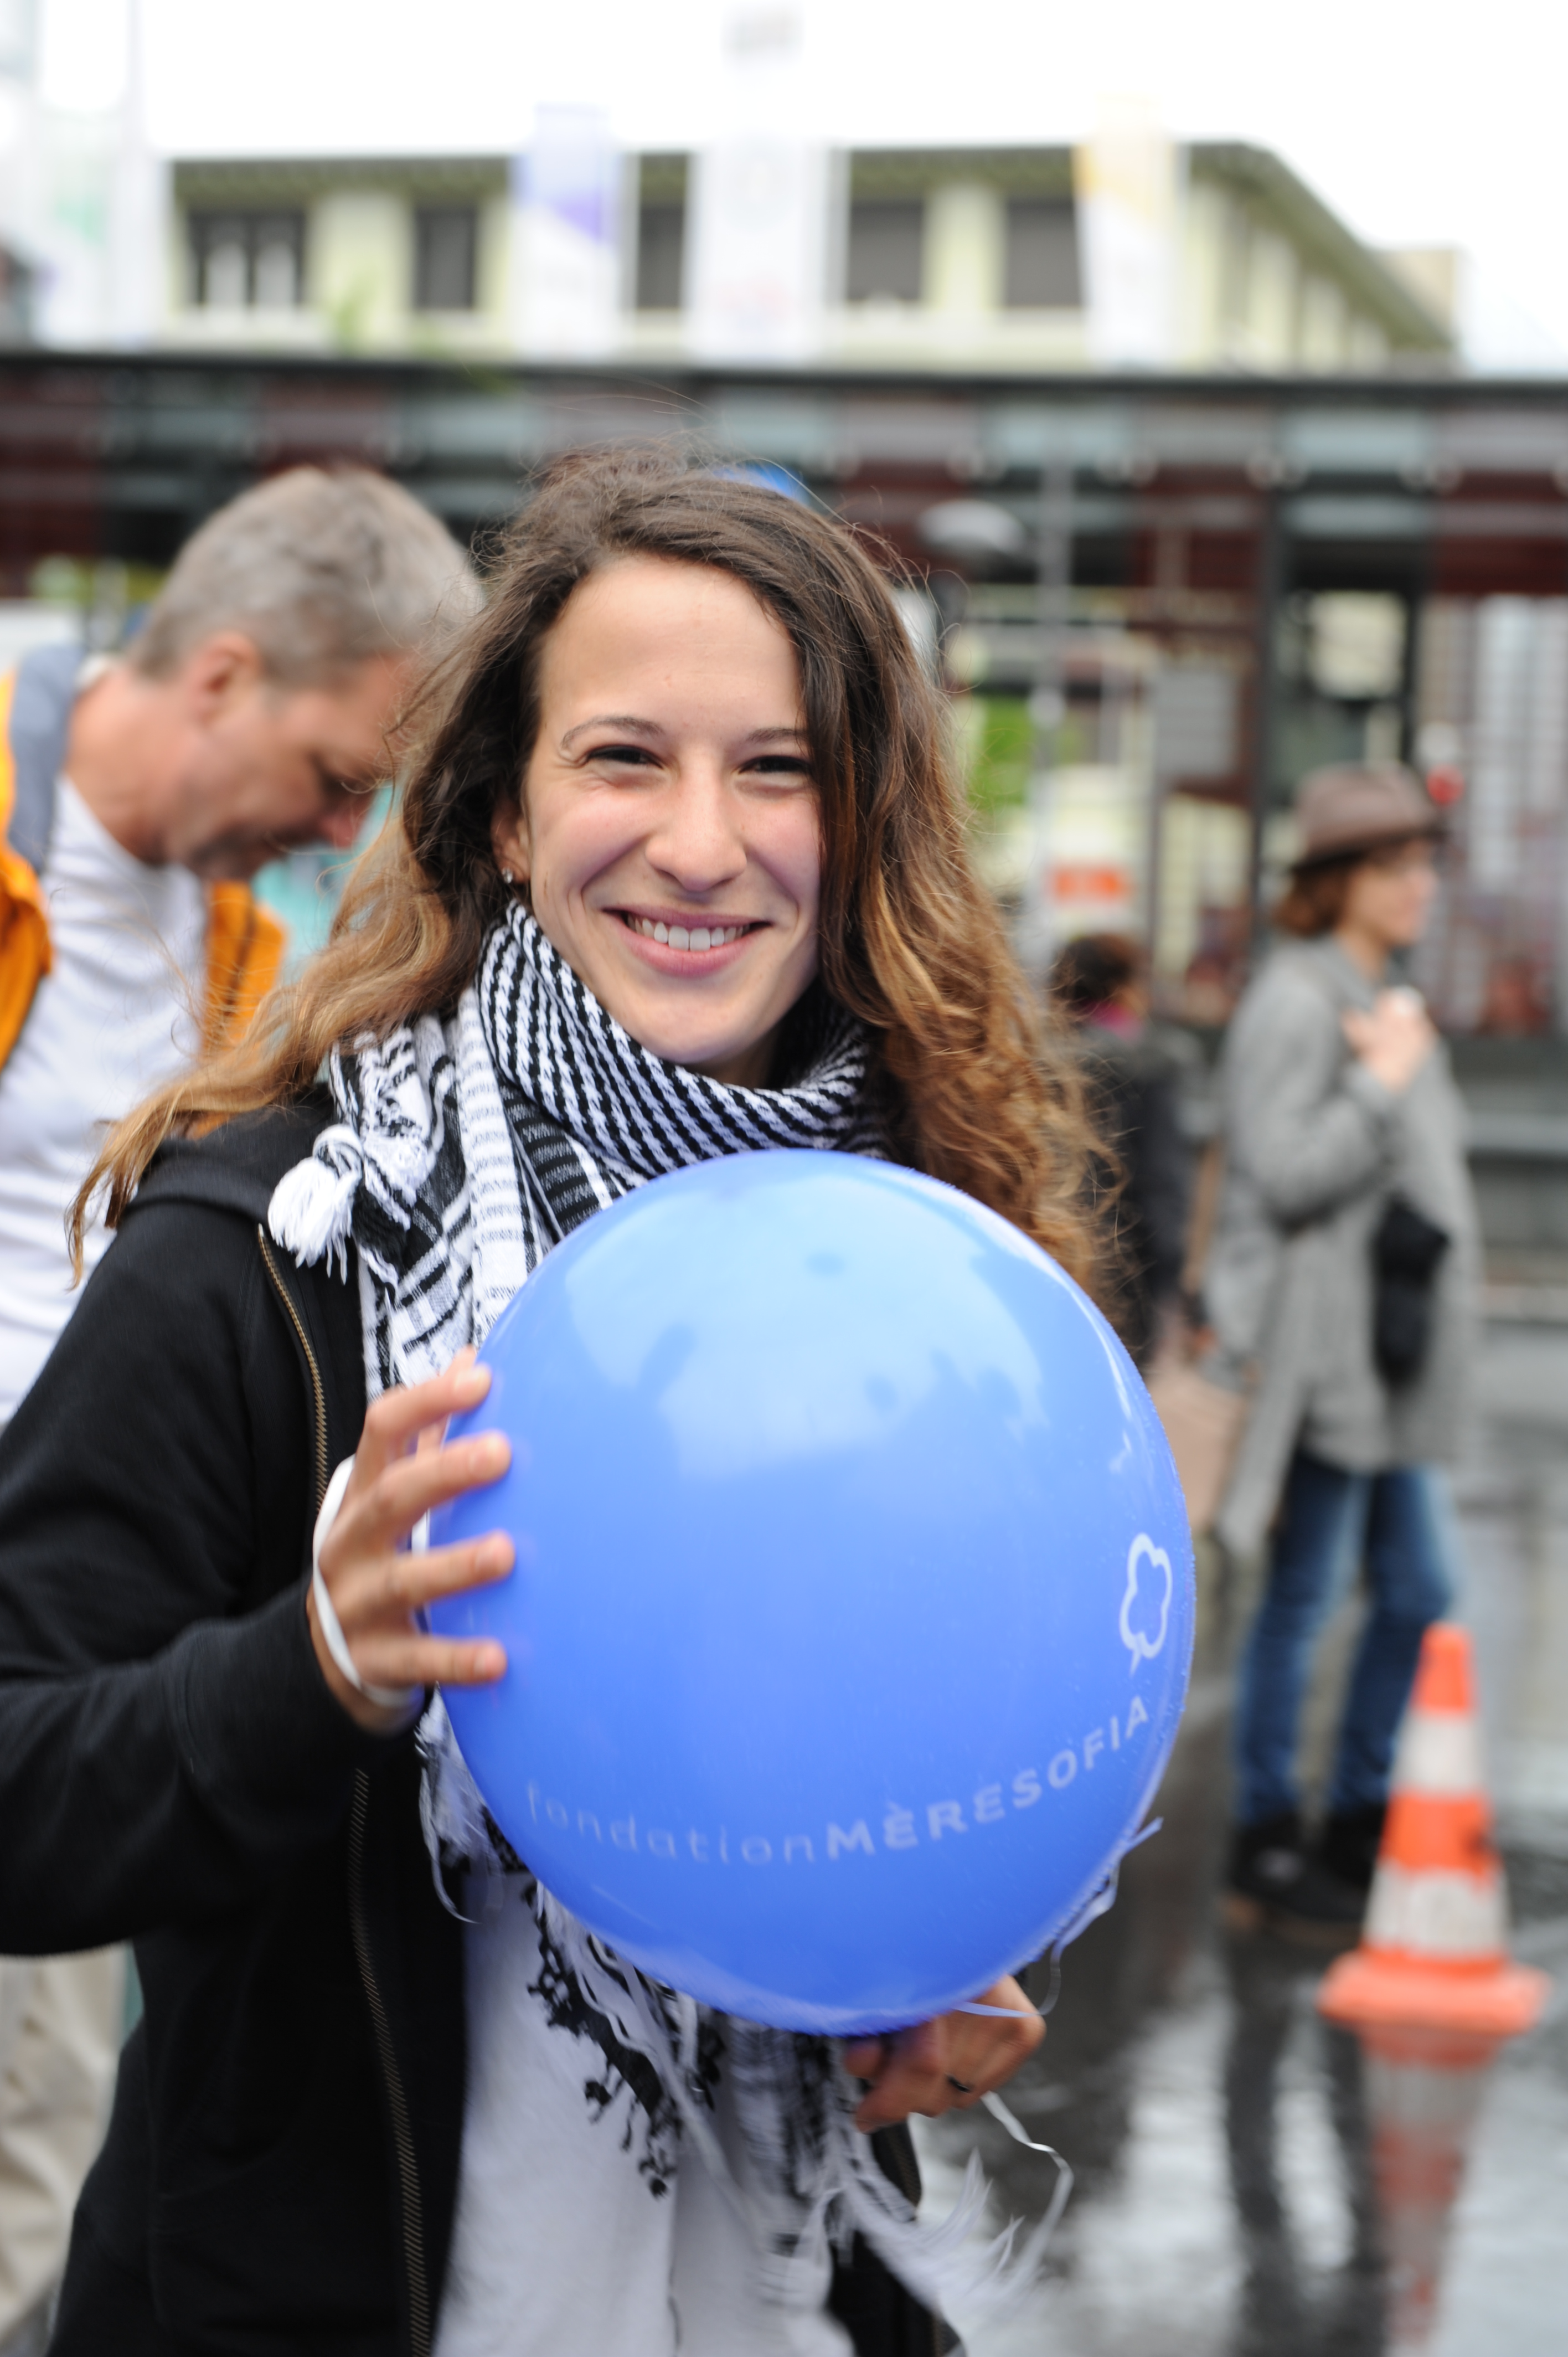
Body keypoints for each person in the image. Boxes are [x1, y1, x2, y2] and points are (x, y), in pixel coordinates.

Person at [0, 451, 1106, 2355]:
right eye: (623, 758)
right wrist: (313, 1668)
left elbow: (935, 1733)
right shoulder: (277, 1239)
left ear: (860, 819)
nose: (701, 841)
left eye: (777, 767)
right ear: (504, 814)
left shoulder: (922, 1254)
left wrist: (935, 1956)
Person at [0, 464, 476, 2353]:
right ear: (220, 673)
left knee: (41, 2107)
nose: (344, 829)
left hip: (105, 1601)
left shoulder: (246, 959)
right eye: (339, 771)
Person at [1205, 763, 1477, 1935]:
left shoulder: (1382, 992)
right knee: (1305, 1595)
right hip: (1322, 1369)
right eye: (1393, 865)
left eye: (1423, 863)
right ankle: (1266, 1840)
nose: (1420, 885)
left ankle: (1358, 1820)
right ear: (1337, 878)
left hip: (1385, 1363)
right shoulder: (1297, 999)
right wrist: (1377, 1085)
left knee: (1418, 1589)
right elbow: (1279, 1173)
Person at [1050, 932, 1191, 1366]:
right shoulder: (1148, 1065)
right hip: (1126, 1268)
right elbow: (1162, 1182)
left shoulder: (1031, 1061)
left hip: (1051, 1256)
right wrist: (1172, 1277)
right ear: (1121, 988)